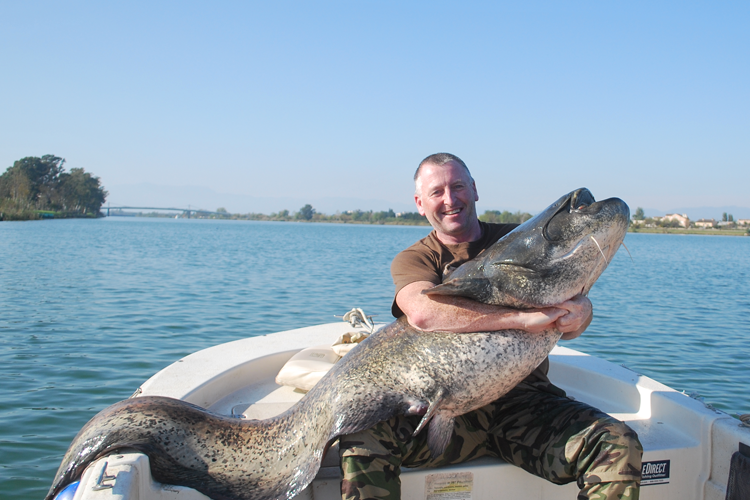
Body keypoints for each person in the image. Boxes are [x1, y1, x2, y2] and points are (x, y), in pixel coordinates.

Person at [339, 153, 642, 500]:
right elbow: (423, 312)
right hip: (445, 416)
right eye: (437, 192)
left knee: (617, 445)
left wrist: (582, 312)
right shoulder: (417, 259)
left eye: (457, 186)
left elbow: (571, 314)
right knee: (361, 436)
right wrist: (522, 321)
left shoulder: (516, 239)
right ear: (420, 204)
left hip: (525, 409)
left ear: (474, 190)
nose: (450, 200)